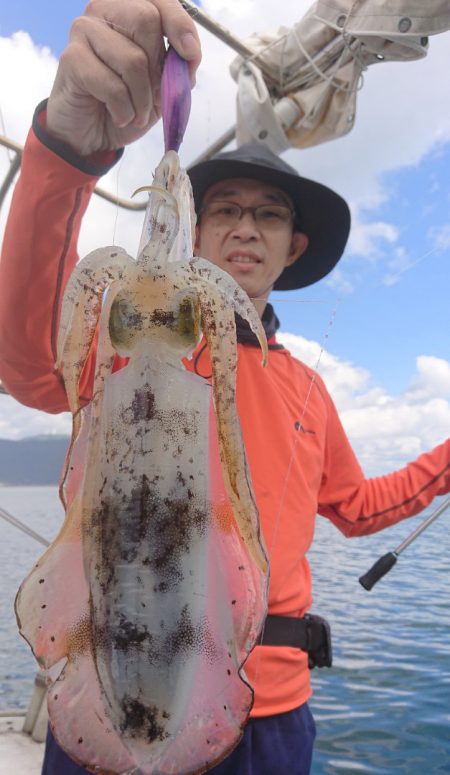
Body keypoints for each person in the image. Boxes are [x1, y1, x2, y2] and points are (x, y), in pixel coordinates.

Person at [0, 1, 449, 774]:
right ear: (196, 234)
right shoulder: (132, 342)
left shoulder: (307, 388)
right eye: (227, 210)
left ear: (292, 246)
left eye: (268, 215)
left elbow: (358, 506)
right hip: (109, 685)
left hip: (269, 711)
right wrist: (67, 146)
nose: (246, 227)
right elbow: (29, 362)